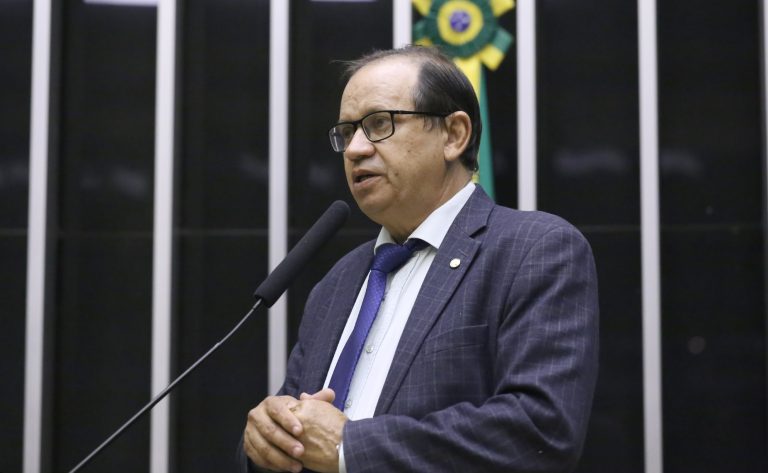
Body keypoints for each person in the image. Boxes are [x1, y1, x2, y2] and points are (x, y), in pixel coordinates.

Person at [242, 45, 598, 473]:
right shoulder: (338, 283)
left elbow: (540, 430)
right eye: (347, 132)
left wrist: (350, 448)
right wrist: (267, 442)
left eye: (378, 124)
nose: (354, 149)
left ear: (454, 135)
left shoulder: (535, 250)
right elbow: (303, 434)